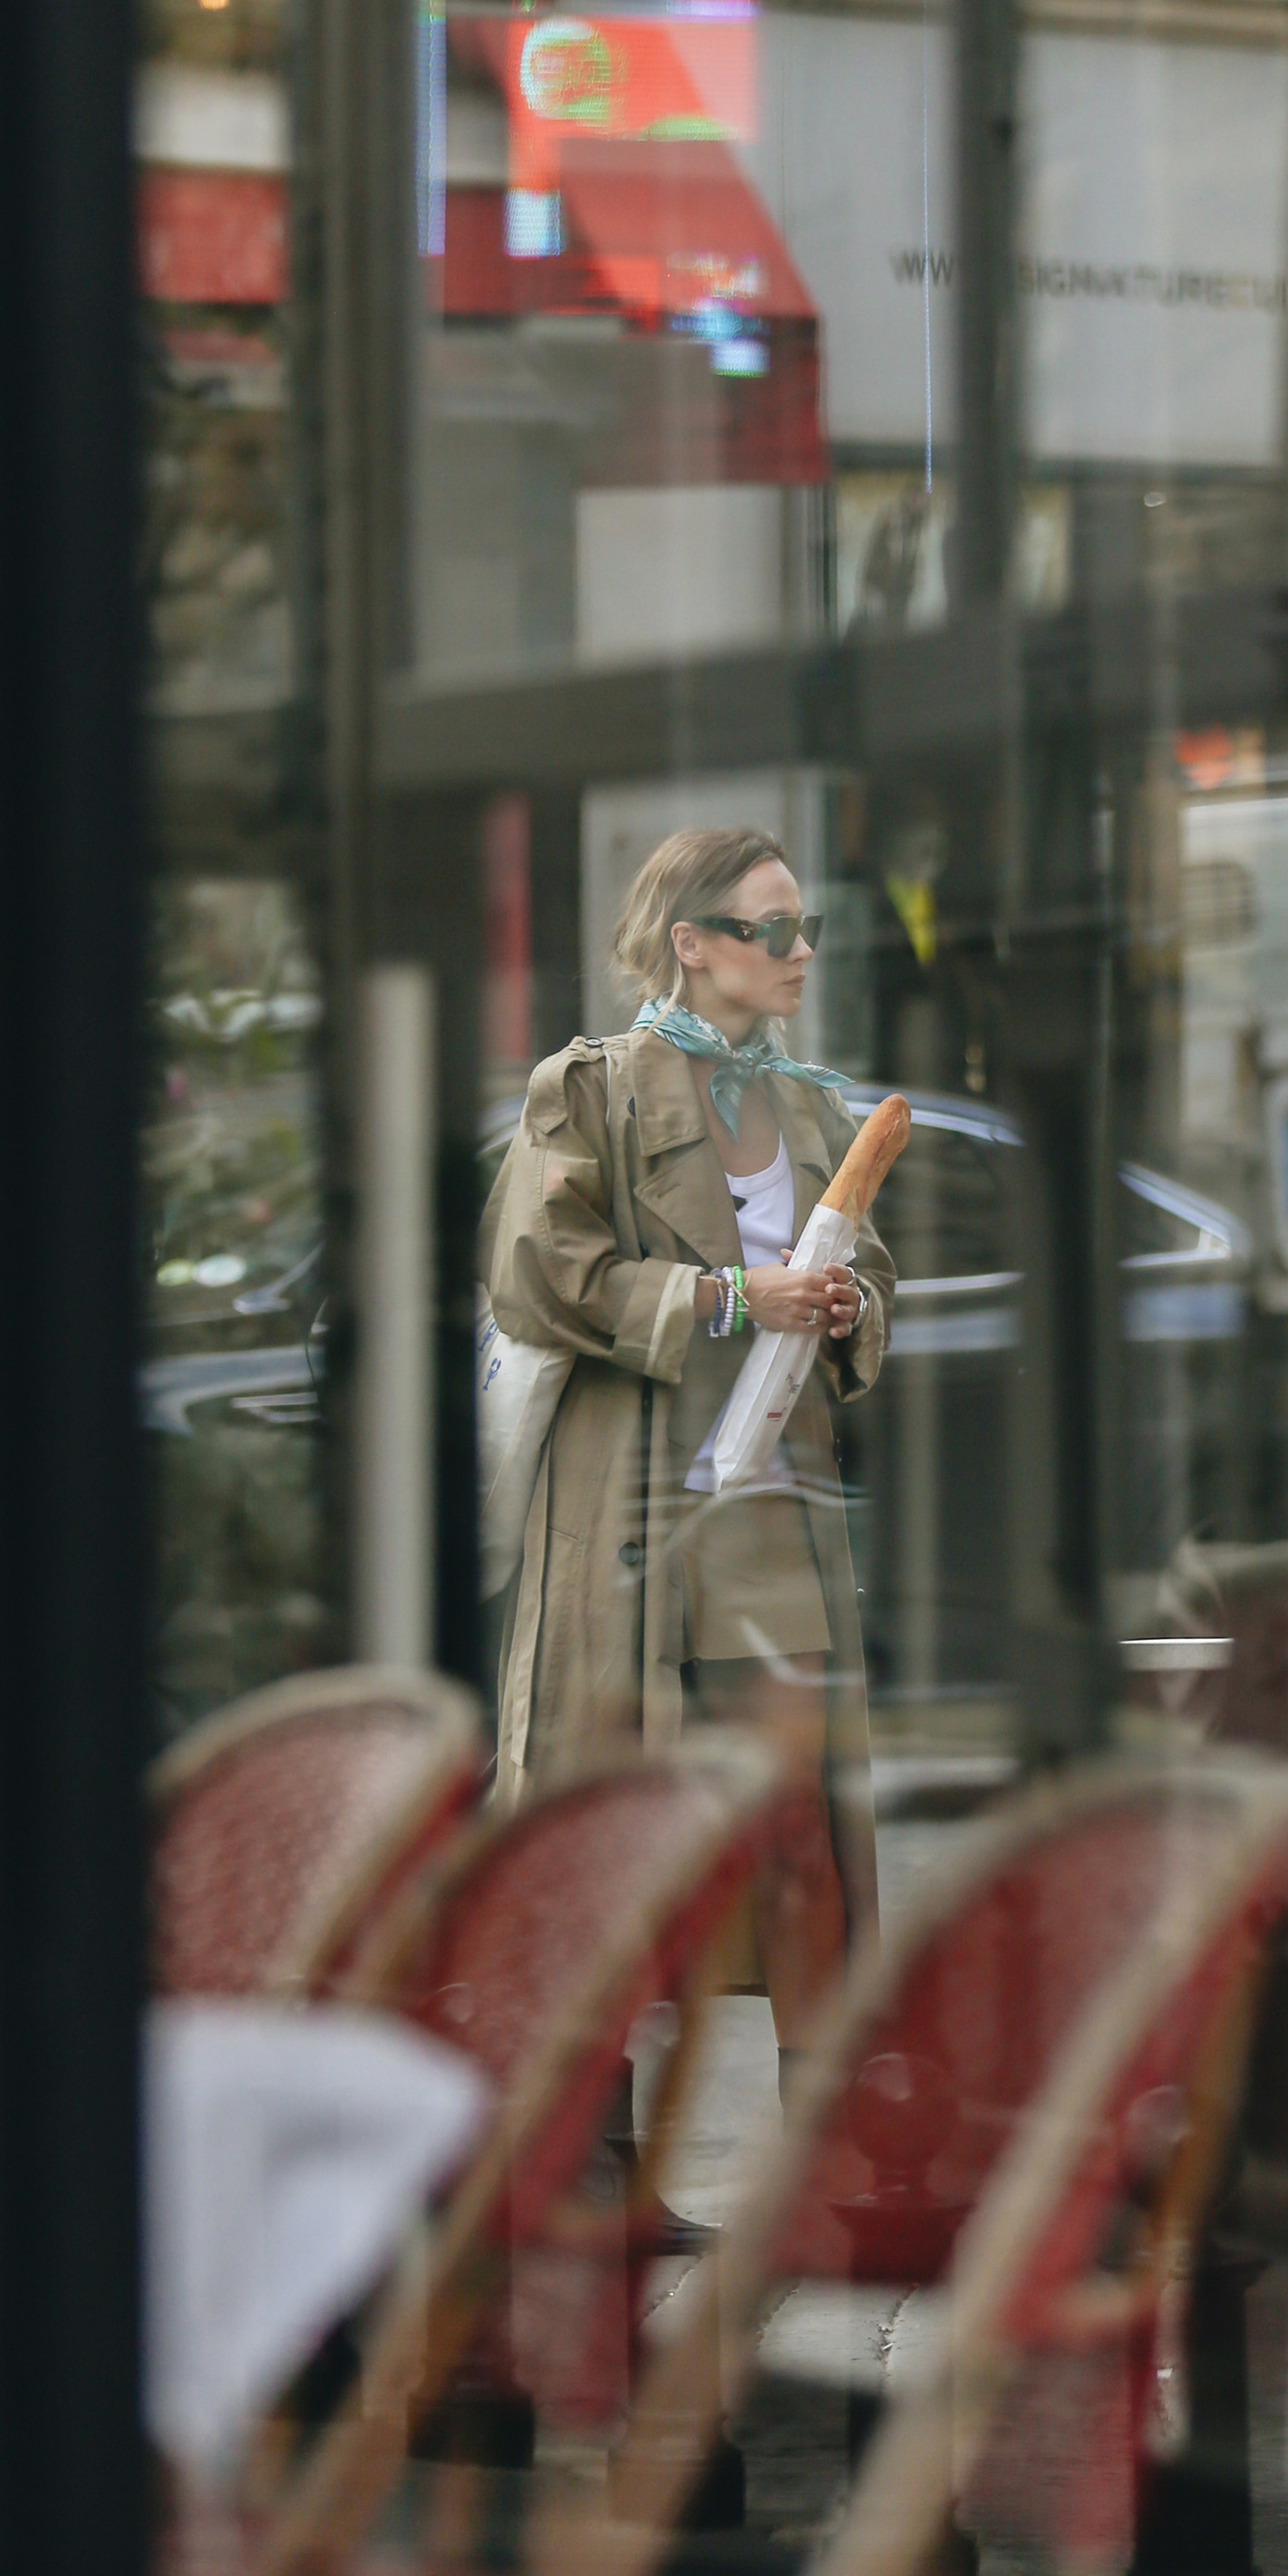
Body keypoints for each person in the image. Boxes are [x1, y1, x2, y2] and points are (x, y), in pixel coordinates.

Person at [479, 825, 895, 2059]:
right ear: (692, 944)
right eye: (774, 930)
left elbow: (871, 1273)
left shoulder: (810, 1103)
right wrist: (727, 1297)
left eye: (807, 927)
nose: (801, 952)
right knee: (605, 1841)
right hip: (624, 1508)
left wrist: (846, 1307)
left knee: (801, 1836)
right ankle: (595, 2151)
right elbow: (538, 1275)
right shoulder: (590, 1091)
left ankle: (826, 2143)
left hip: (772, 1513)